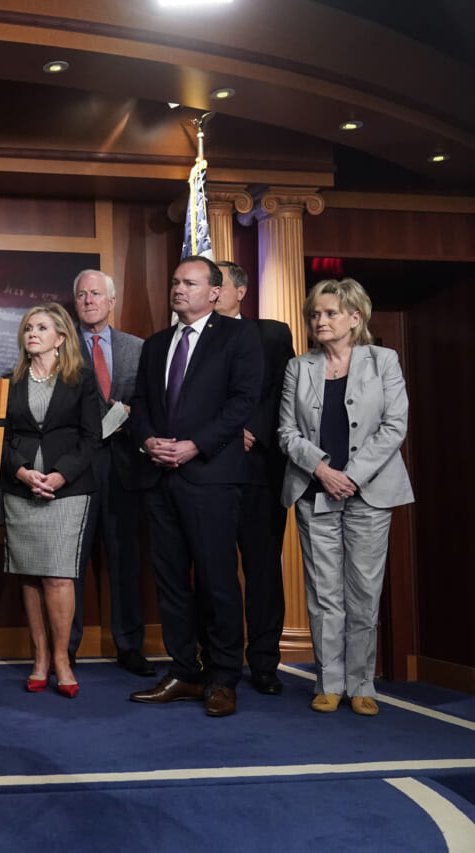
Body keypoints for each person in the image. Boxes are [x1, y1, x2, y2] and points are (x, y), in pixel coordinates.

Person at [127, 255, 261, 718]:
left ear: (215, 292)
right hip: (159, 479)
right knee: (170, 584)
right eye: (175, 281)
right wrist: (147, 440)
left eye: (189, 282)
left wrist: (193, 446)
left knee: (218, 580)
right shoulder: (157, 343)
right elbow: (139, 402)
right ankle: (185, 671)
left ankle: (224, 677)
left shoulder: (240, 337)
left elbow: (243, 401)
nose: (178, 288)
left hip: (211, 478)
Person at [277, 278, 412, 716]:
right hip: (314, 491)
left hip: (369, 494)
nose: (320, 320)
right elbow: (286, 432)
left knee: (363, 592)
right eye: (315, 314)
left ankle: (362, 683)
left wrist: (348, 476)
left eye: (330, 313)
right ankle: (328, 681)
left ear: (356, 318)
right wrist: (321, 469)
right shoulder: (299, 367)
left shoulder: (383, 360)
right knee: (323, 593)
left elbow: (394, 426)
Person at [0, 303, 101, 698]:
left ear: (60, 339)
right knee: (31, 573)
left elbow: (91, 438)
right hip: (22, 488)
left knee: (58, 575)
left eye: (41, 327)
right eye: (28, 328)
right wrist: (23, 472)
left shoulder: (81, 380)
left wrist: (59, 475)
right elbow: (2, 438)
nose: (32, 334)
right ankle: (39, 658)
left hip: (68, 489)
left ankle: (62, 659)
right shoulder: (8, 382)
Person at [214, 260, 296, 696]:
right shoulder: (194, 339)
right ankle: (219, 659)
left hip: (261, 469)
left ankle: (264, 662)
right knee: (216, 571)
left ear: (241, 291)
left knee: (263, 571)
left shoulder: (272, 334)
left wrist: (252, 430)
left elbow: (285, 390)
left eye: (219, 283)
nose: (210, 290)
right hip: (210, 472)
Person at [68, 269, 153, 677]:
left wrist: (136, 417)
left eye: (96, 294)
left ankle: (130, 645)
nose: (88, 301)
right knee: (70, 563)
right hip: (77, 469)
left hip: (125, 468)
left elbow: (152, 402)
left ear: (111, 301)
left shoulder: (137, 348)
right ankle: (65, 647)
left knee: (124, 561)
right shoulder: (61, 346)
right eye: (82, 295)